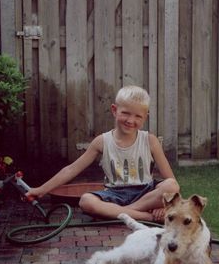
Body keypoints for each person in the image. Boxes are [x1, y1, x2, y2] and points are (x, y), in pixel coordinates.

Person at [27, 85, 179, 222]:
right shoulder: (102, 141)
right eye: (125, 113)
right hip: (114, 195)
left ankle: (123, 213)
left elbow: (171, 180)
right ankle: (148, 217)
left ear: (145, 116)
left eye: (138, 116)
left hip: (146, 193)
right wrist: (41, 190)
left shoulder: (150, 140)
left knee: (171, 186)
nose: (131, 120)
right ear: (114, 110)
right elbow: (71, 169)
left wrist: (166, 203)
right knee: (86, 201)